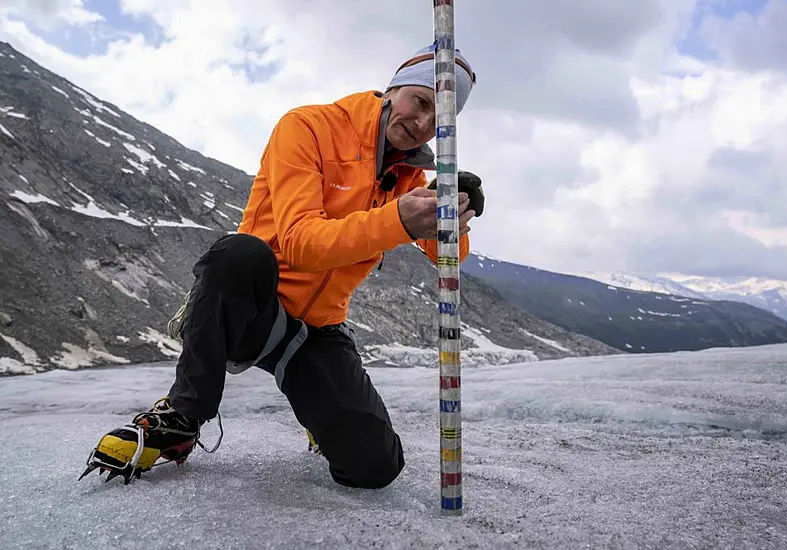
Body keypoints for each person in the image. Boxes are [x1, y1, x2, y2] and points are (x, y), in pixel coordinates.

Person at [78, 44, 484, 489]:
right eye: (421, 102)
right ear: (393, 90)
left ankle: (318, 414)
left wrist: (454, 212)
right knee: (238, 253)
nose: (423, 124)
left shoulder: (408, 177)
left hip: (316, 332)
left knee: (374, 467)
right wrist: (397, 220)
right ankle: (183, 415)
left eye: (439, 120)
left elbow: (448, 255)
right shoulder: (308, 127)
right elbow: (298, 243)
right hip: (254, 309)